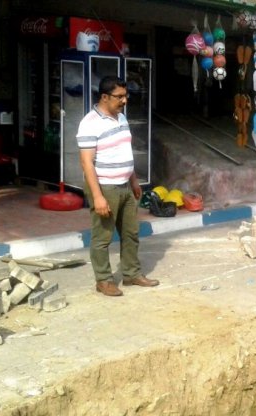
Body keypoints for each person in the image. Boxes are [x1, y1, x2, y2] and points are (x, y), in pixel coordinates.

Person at [77, 76, 159, 297]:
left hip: (125, 185)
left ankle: (132, 273)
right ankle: (103, 280)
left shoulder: (122, 118)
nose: (124, 100)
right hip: (105, 187)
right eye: (119, 96)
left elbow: (125, 151)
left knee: (131, 233)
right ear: (104, 97)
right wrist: (98, 197)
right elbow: (86, 162)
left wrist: (134, 180)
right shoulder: (89, 123)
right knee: (102, 237)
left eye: (126, 96)